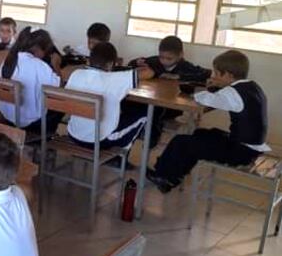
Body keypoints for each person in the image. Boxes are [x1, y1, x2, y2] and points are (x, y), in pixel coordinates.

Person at [147, 50, 269, 193]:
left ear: (228, 75)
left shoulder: (233, 93)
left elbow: (204, 98)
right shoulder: (252, 87)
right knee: (201, 134)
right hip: (250, 146)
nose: (214, 76)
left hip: (241, 152)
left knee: (182, 141)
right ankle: (173, 176)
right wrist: (217, 86)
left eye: (217, 74)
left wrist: (208, 87)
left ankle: (164, 176)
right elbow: (221, 97)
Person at [65, 42, 147, 150]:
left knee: (116, 112)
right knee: (144, 114)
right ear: (111, 64)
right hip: (99, 141)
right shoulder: (116, 79)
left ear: (89, 60)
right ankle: (121, 157)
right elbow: (146, 72)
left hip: (73, 133)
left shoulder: (76, 74)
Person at [0, 28, 61, 134]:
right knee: (61, 107)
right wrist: (56, 66)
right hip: (32, 122)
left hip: (7, 116)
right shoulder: (40, 66)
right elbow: (58, 90)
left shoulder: (8, 60)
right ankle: (45, 137)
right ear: (38, 49)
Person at [129, 35, 210, 82]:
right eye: (161, 57)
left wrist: (178, 76)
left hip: (173, 104)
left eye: (169, 59)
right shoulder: (155, 61)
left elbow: (206, 73)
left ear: (180, 55)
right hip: (153, 96)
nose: (164, 61)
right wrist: (137, 62)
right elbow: (129, 65)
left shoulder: (185, 66)